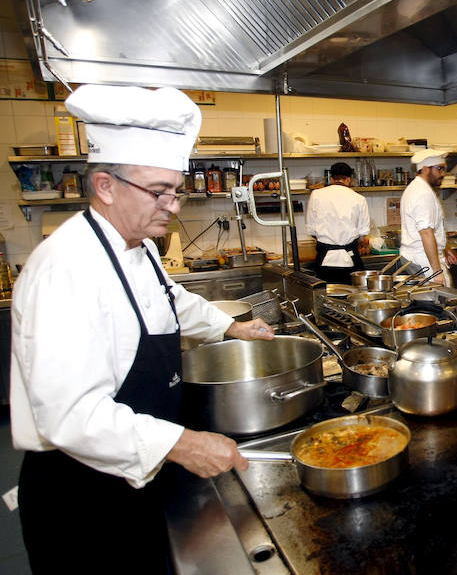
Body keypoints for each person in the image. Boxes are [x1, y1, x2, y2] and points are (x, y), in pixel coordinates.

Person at [10, 84, 275, 574]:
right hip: (82, 497)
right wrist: (185, 444)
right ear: (106, 186)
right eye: (158, 192)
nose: (172, 206)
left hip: (138, 471)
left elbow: (169, 300)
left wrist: (231, 327)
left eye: (176, 191)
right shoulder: (66, 268)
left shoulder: (138, 244)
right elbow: (70, 415)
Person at [400, 149, 457, 286]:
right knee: (442, 300)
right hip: (423, 259)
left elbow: (432, 229)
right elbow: (426, 233)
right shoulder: (422, 193)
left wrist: (443, 249)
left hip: (419, 256)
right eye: (439, 169)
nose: (443, 174)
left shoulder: (417, 188)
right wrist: (437, 272)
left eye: (444, 169)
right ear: (425, 169)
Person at [306, 161, 370, 283]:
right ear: (348, 179)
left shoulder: (316, 195)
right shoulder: (359, 199)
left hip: (324, 259)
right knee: (353, 296)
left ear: (331, 178)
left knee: (324, 297)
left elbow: (312, 231)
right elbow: (363, 234)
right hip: (350, 258)